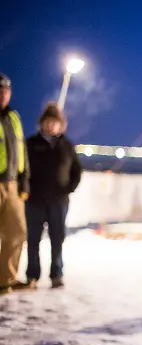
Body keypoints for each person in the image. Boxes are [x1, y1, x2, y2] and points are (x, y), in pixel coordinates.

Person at [24, 103, 82, 289]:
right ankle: (32, 275)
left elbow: (77, 170)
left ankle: (56, 273)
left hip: (59, 201)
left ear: (61, 124)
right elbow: (23, 169)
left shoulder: (66, 145)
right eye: (48, 122)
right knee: (33, 239)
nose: (51, 126)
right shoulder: (31, 144)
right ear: (42, 123)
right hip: (34, 200)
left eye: (55, 122)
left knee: (57, 238)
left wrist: (69, 189)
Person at [0, 73, 30, 295]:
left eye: (6, 90)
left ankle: (6, 279)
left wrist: (24, 180)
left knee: (17, 231)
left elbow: (22, 151)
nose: (3, 94)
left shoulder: (13, 117)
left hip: (12, 183)